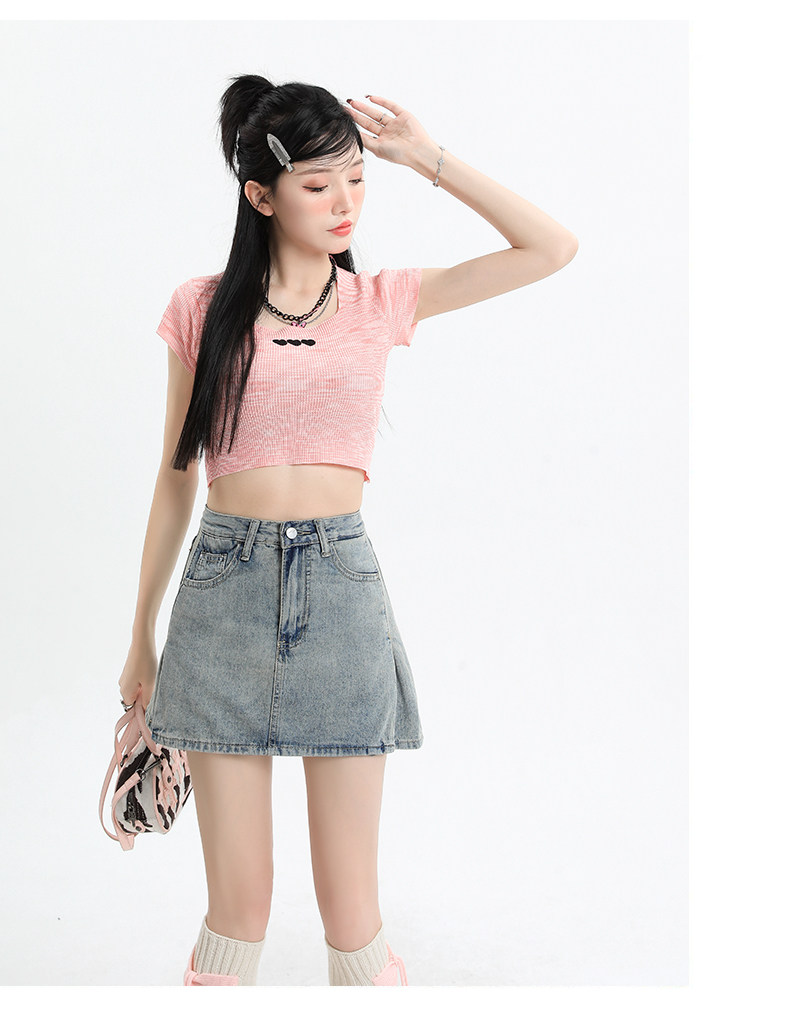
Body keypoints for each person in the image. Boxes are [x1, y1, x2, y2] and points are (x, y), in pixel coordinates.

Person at [118, 73, 578, 988]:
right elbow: (174, 481)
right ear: (261, 196)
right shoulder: (201, 307)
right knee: (237, 913)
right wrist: (141, 636)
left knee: (352, 915)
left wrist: (426, 158)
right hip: (221, 594)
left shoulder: (381, 302)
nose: (346, 204)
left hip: (340, 591)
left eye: (358, 180)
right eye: (320, 184)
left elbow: (551, 247)